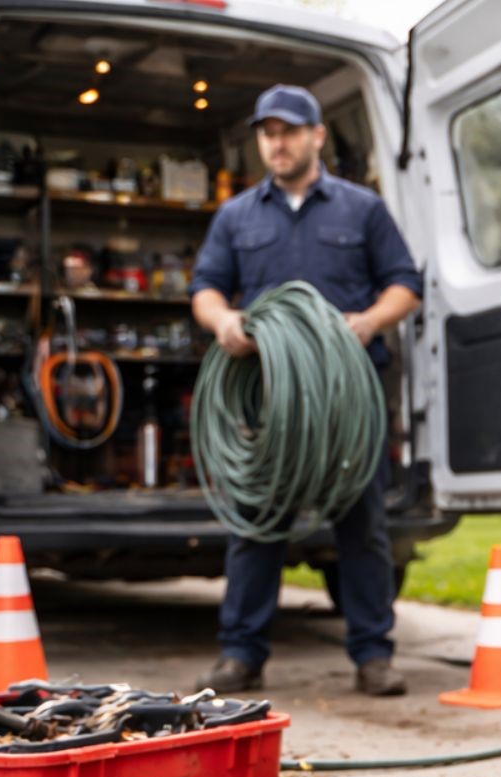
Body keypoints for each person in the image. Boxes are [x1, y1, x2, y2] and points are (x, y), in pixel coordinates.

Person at [189, 84, 422, 697]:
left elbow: (405, 284)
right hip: (272, 397)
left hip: (348, 404)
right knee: (257, 523)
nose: (278, 142)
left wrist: (368, 321)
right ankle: (241, 655)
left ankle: (374, 656)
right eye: (268, 133)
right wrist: (225, 323)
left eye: (289, 131)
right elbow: (207, 289)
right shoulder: (237, 216)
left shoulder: (361, 209)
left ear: (318, 135)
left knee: (363, 524)